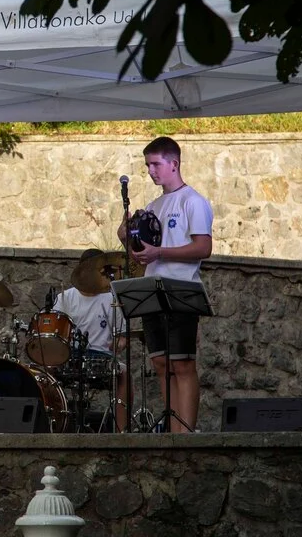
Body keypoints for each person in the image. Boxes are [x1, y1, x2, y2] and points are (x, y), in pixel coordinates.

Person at [117, 136, 213, 432]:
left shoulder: (193, 201)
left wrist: (160, 252)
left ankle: (185, 433)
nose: (151, 171)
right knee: (161, 363)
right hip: (151, 290)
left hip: (180, 289)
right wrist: (125, 237)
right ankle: (171, 430)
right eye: (147, 165)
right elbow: (140, 254)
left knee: (182, 364)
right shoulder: (152, 205)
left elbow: (203, 248)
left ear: (174, 163)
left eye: (156, 164)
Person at [55, 248, 135, 432]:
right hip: (69, 356)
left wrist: (118, 345)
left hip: (101, 358)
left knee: (124, 374)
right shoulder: (65, 297)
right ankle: (54, 425)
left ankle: (121, 431)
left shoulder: (111, 298)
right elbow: (56, 333)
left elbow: (123, 337)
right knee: (46, 370)